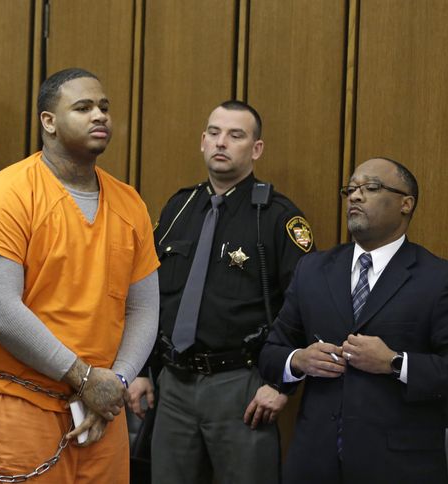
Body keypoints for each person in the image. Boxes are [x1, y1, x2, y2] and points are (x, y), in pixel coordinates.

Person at [0, 68, 160, 483]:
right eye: (83, 107)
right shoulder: (4, 195)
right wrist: (83, 378)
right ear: (48, 121)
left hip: (103, 410)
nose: (100, 116)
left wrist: (114, 383)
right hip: (20, 406)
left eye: (104, 107)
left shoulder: (130, 203)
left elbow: (145, 308)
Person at [258, 157, 448, 483]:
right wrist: (298, 360)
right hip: (314, 463)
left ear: (405, 204)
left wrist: (395, 363)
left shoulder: (441, 281)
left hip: (398, 467)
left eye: (370, 188)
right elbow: (271, 352)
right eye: (350, 189)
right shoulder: (312, 270)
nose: (355, 196)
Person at [129, 100, 314, 483]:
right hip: (173, 386)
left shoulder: (278, 216)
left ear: (256, 149)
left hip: (241, 387)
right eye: (214, 133)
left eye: (235, 135)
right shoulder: (180, 207)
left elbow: (305, 306)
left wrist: (282, 384)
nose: (221, 143)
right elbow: (152, 295)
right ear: (202, 141)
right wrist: (143, 369)